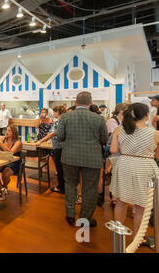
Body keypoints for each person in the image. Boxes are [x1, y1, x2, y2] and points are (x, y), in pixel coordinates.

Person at [56, 91, 108, 227]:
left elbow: (60, 136)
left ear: (75, 102)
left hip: (69, 157)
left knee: (70, 184)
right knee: (90, 188)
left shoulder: (65, 117)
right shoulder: (99, 118)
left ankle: (70, 215)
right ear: (90, 103)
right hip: (92, 158)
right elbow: (104, 139)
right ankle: (85, 218)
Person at [109, 103, 159, 240]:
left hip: (124, 164)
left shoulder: (120, 130)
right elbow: (158, 155)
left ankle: (118, 235)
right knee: (142, 205)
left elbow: (113, 150)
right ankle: (138, 237)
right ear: (147, 115)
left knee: (121, 201)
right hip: (145, 167)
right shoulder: (155, 133)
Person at [35, 105, 67, 194]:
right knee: (61, 167)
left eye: (54, 112)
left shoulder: (58, 122)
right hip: (62, 146)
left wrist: (40, 141)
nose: (53, 113)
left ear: (57, 112)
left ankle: (61, 187)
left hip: (58, 146)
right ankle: (63, 185)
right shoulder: (64, 121)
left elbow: (52, 134)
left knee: (59, 167)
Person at [0, 125, 22, 201]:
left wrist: (1, 144)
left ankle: (4, 187)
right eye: (6, 130)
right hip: (4, 161)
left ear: (14, 132)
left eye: (9, 131)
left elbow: (11, 153)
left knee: (5, 174)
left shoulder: (18, 142)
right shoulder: (3, 139)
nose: (6, 132)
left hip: (15, 162)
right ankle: (2, 188)